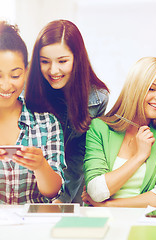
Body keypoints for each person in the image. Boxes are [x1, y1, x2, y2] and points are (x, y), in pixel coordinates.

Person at [0, 21, 65, 204]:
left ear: (25, 71)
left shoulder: (48, 124)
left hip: (34, 229)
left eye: (15, 75)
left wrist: (41, 166)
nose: (7, 85)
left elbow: (53, 192)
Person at [81, 57, 156, 208]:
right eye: (152, 88)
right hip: (105, 224)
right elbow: (96, 191)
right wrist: (138, 157)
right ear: (135, 88)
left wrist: (108, 205)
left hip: (151, 223)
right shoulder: (99, 129)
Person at [25, 20, 109, 203]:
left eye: (62, 61)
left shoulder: (97, 99)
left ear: (77, 58)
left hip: (68, 190)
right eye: (45, 62)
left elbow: (80, 157)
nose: (53, 70)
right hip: (25, 189)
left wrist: (62, 197)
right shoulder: (25, 88)